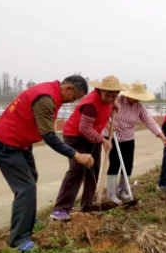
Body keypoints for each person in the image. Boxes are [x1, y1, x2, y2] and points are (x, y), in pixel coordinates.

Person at [0, 75, 93, 251]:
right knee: (26, 188)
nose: (72, 102)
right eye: (74, 98)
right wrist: (76, 155)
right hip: (5, 144)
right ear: (68, 89)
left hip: (20, 143)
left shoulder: (51, 92)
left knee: (31, 177)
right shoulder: (46, 98)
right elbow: (49, 136)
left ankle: (27, 217)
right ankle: (19, 239)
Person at [50, 75, 128, 221]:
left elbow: (111, 102)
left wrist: (114, 103)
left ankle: (87, 205)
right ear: (100, 90)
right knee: (77, 170)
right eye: (108, 95)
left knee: (93, 169)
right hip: (75, 135)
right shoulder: (91, 104)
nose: (110, 99)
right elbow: (84, 128)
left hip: (93, 135)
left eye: (114, 95)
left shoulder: (110, 99)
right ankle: (60, 209)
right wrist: (103, 140)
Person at [104, 81, 166, 204]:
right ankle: (111, 194)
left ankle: (123, 191)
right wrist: (108, 125)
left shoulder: (139, 107)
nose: (136, 99)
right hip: (113, 137)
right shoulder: (117, 100)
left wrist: (161, 136)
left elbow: (149, 121)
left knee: (128, 165)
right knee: (115, 164)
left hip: (129, 138)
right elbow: (103, 115)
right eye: (134, 96)